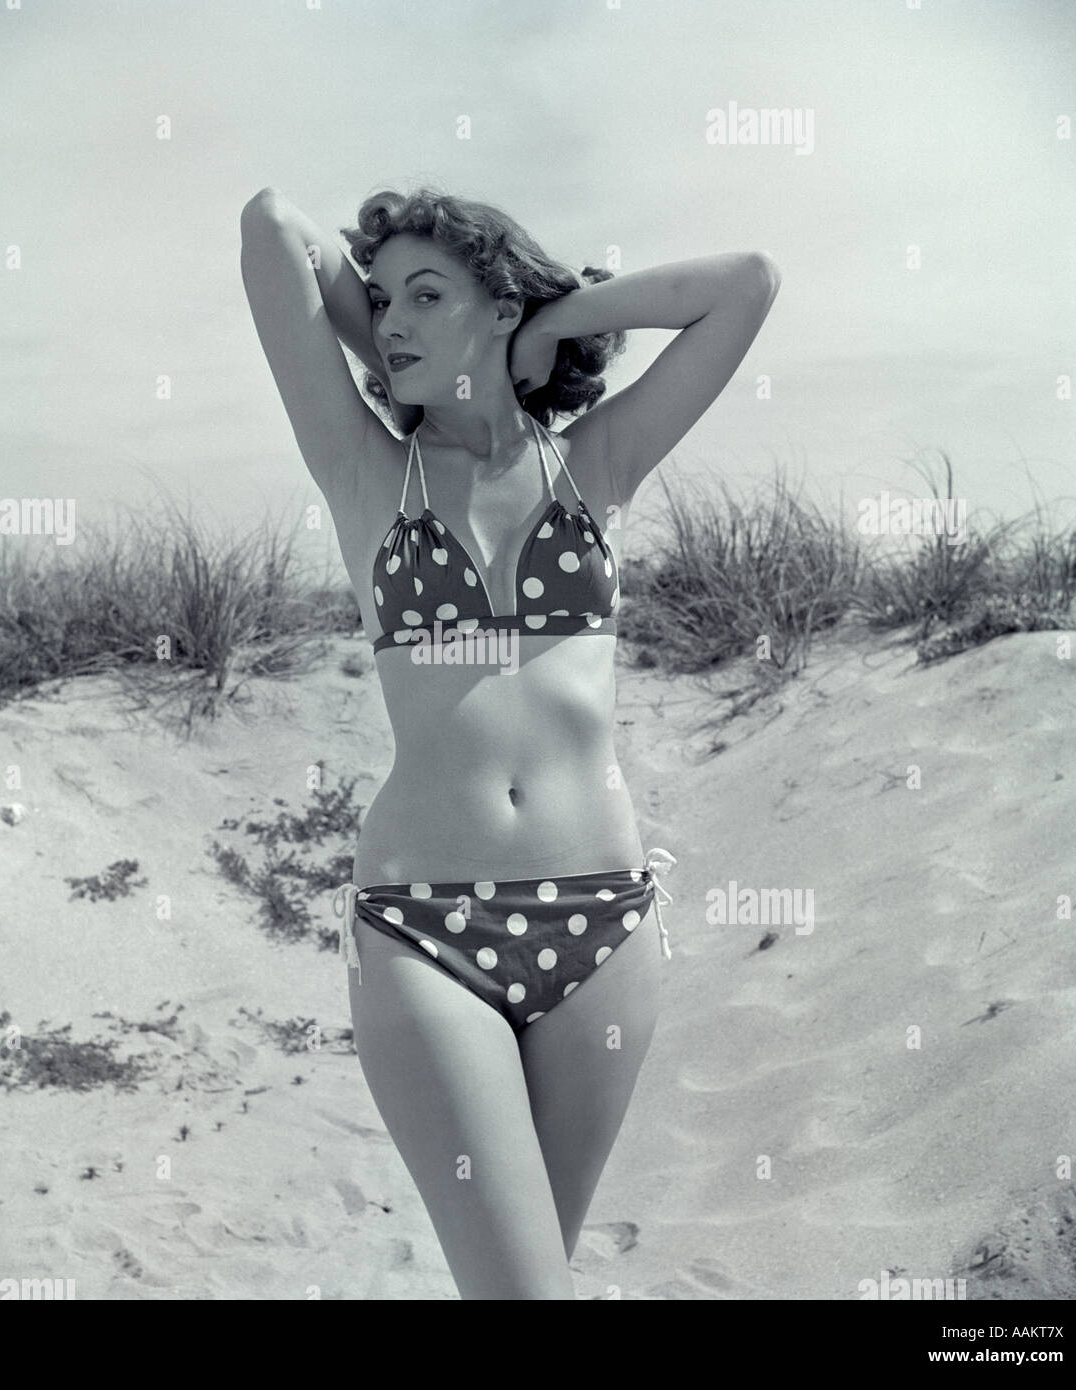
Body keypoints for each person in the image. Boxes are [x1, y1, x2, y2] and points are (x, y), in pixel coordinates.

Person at [239, 184, 780, 1298]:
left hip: (607, 930)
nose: (388, 318)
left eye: (425, 295)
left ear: (499, 302)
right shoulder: (365, 472)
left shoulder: (598, 463)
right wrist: (414, 342)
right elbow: (270, 225)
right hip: (421, 931)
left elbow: (747, 286)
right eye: (378, 298)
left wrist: (547, 324)